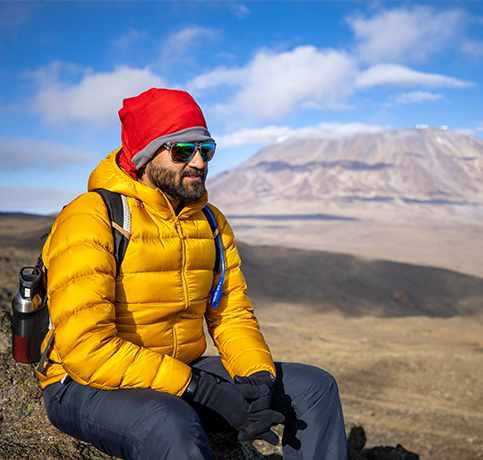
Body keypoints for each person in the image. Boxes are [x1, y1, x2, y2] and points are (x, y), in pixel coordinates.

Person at [37, 88, 347, 460]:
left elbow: (230, 313)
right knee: (171, 423)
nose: (199, 162)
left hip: (181, 371)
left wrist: (257, 377)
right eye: (183, 150)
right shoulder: (92, 217)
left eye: (206, 149)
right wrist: (202, 390)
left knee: (314, 388)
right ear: (145, 156)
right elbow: (87, 349)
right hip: (84, 383)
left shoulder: (211, 222)